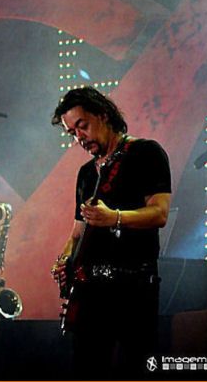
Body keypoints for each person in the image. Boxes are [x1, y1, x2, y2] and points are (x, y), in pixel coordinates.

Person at [50, 86, 171, 378]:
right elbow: (77, 232)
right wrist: (64, 260)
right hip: (91, 293)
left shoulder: (145, 152)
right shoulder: (86, 173)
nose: (79, 137)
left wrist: (114, 218)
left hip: (134, 289)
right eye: (72, 132)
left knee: (136, 369)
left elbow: (159, 213)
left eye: (82, 126)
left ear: (103, 115)